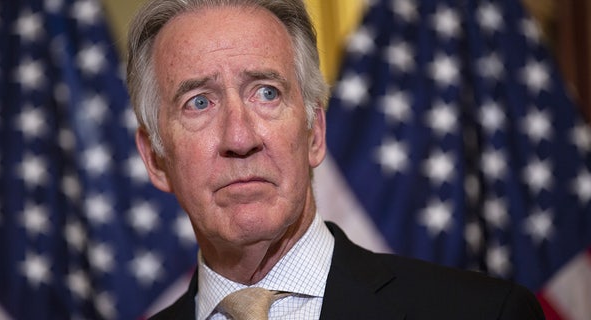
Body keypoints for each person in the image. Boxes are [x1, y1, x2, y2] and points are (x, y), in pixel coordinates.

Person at [126, 0, 546, 319]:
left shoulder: (484, 313)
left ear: (315, 133)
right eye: (199, 103)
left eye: (267, 92)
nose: (239, 137)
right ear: (156, 159)